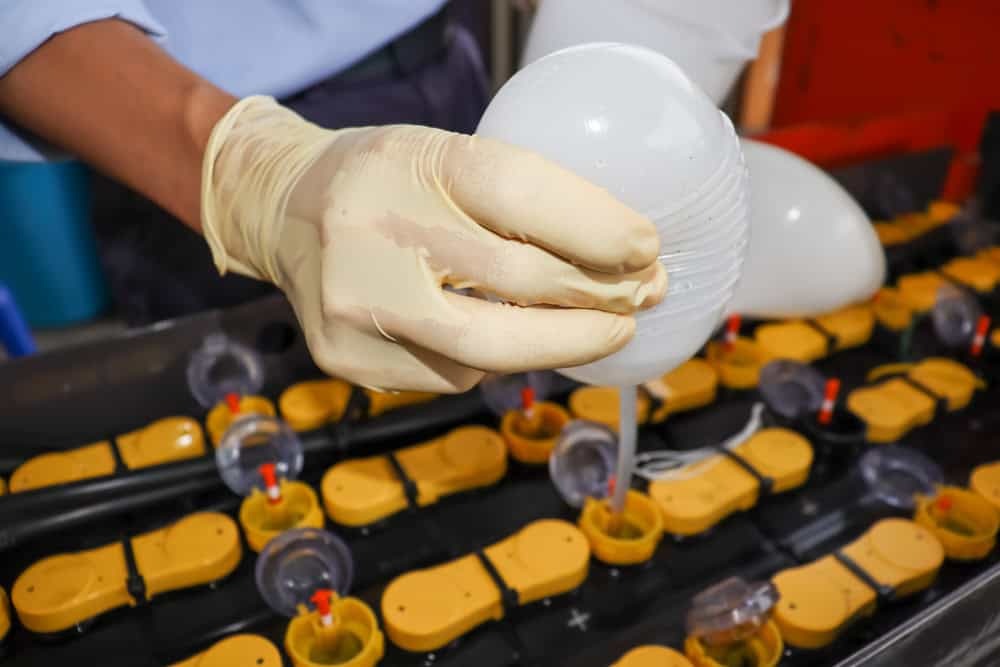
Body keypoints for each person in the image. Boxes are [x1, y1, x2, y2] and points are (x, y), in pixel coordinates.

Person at [0, 2, 666, 393]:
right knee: (240, 404)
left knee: (484, 360)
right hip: (170, 122)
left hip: (445, 66)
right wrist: (251, 173)